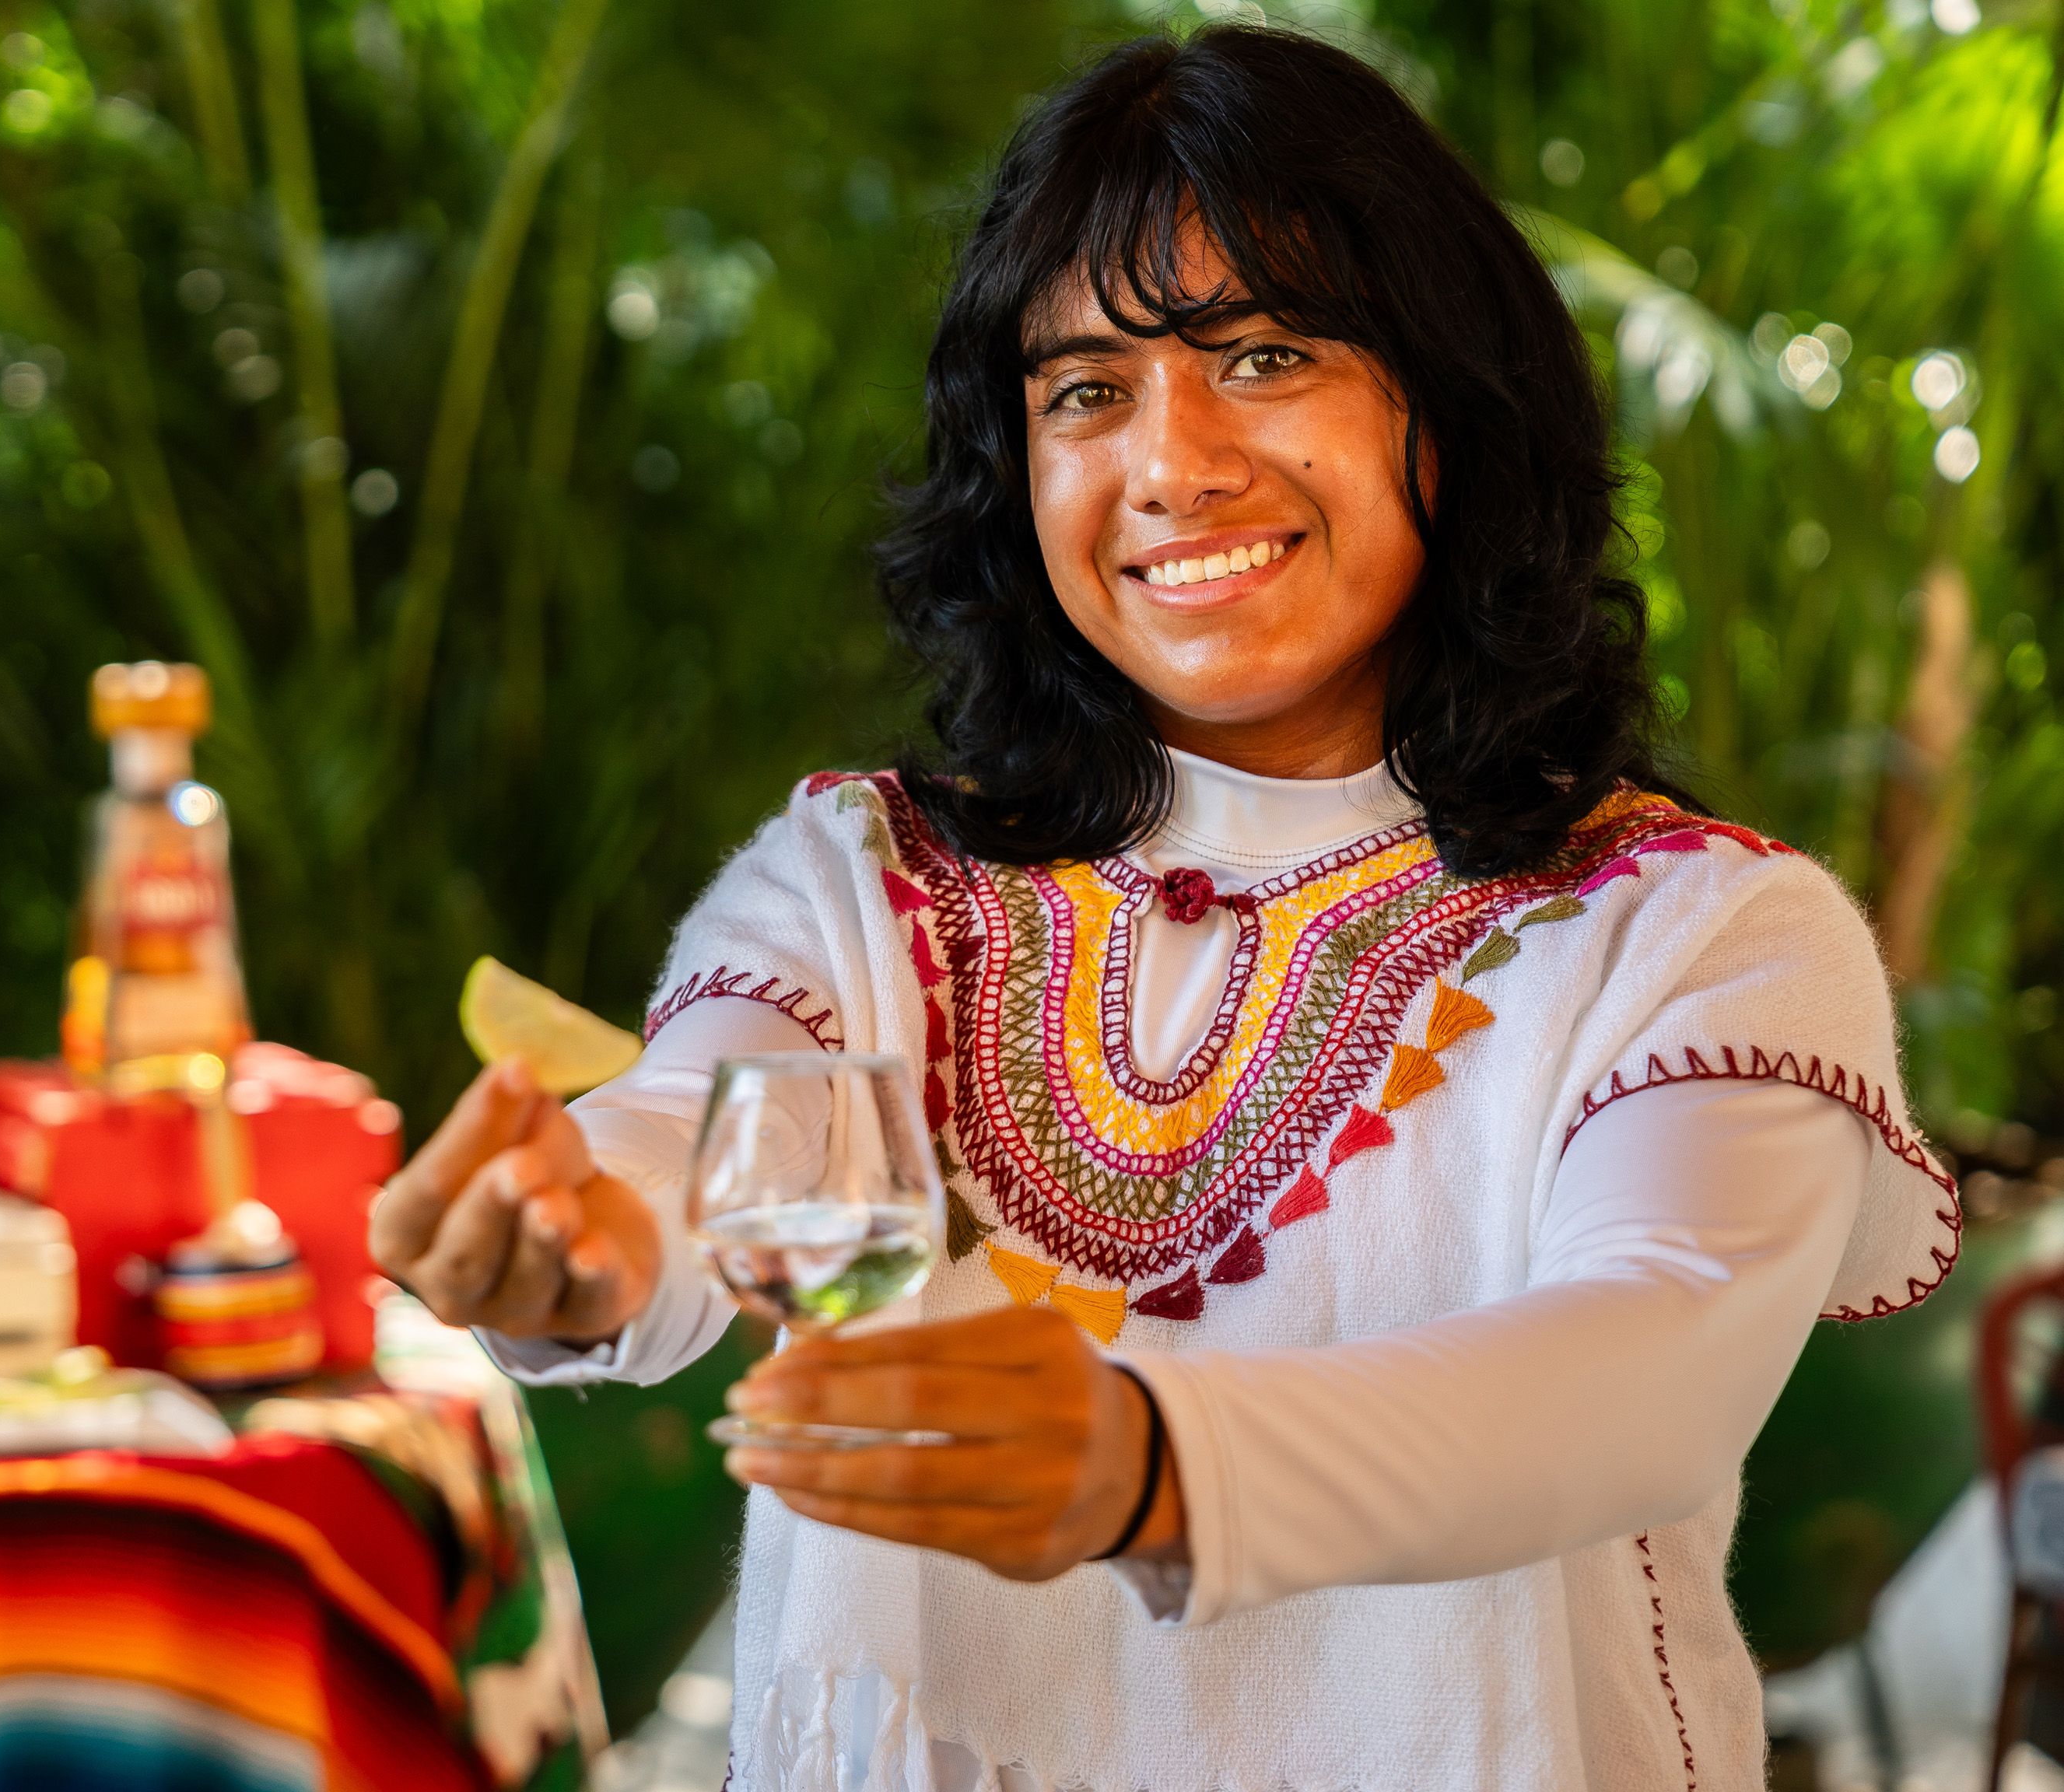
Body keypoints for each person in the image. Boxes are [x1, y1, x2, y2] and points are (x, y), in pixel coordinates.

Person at [369, 25, 1960, 1792]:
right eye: (1081, 389)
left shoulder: (1692, 933)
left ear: (1452, 400)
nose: (1168, 463)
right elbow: (710, 1126)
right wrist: (578, 1235)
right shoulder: (862, 880)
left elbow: (1639, 1369)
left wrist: (1150, 1465)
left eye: (1263, 355)